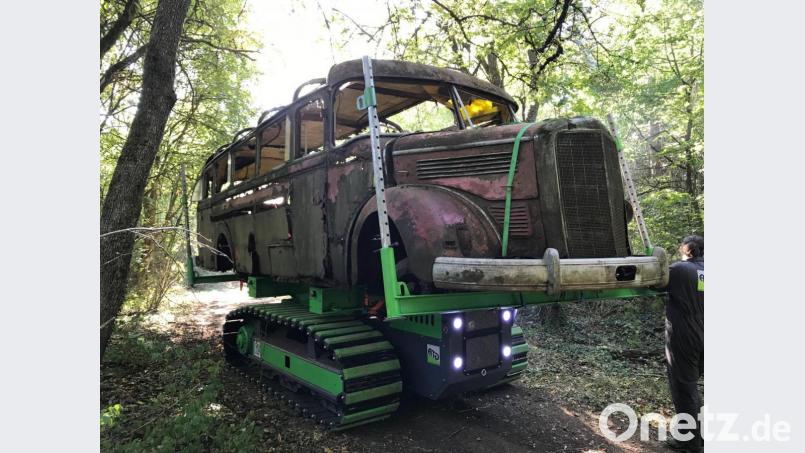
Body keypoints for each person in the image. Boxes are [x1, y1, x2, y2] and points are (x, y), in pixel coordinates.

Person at [663, 235, 704, 452]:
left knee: (684, 388)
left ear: (686, 250)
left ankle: (689, 443)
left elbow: (651, 282)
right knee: (694, 388)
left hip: (685, 336)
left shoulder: (678, 270)